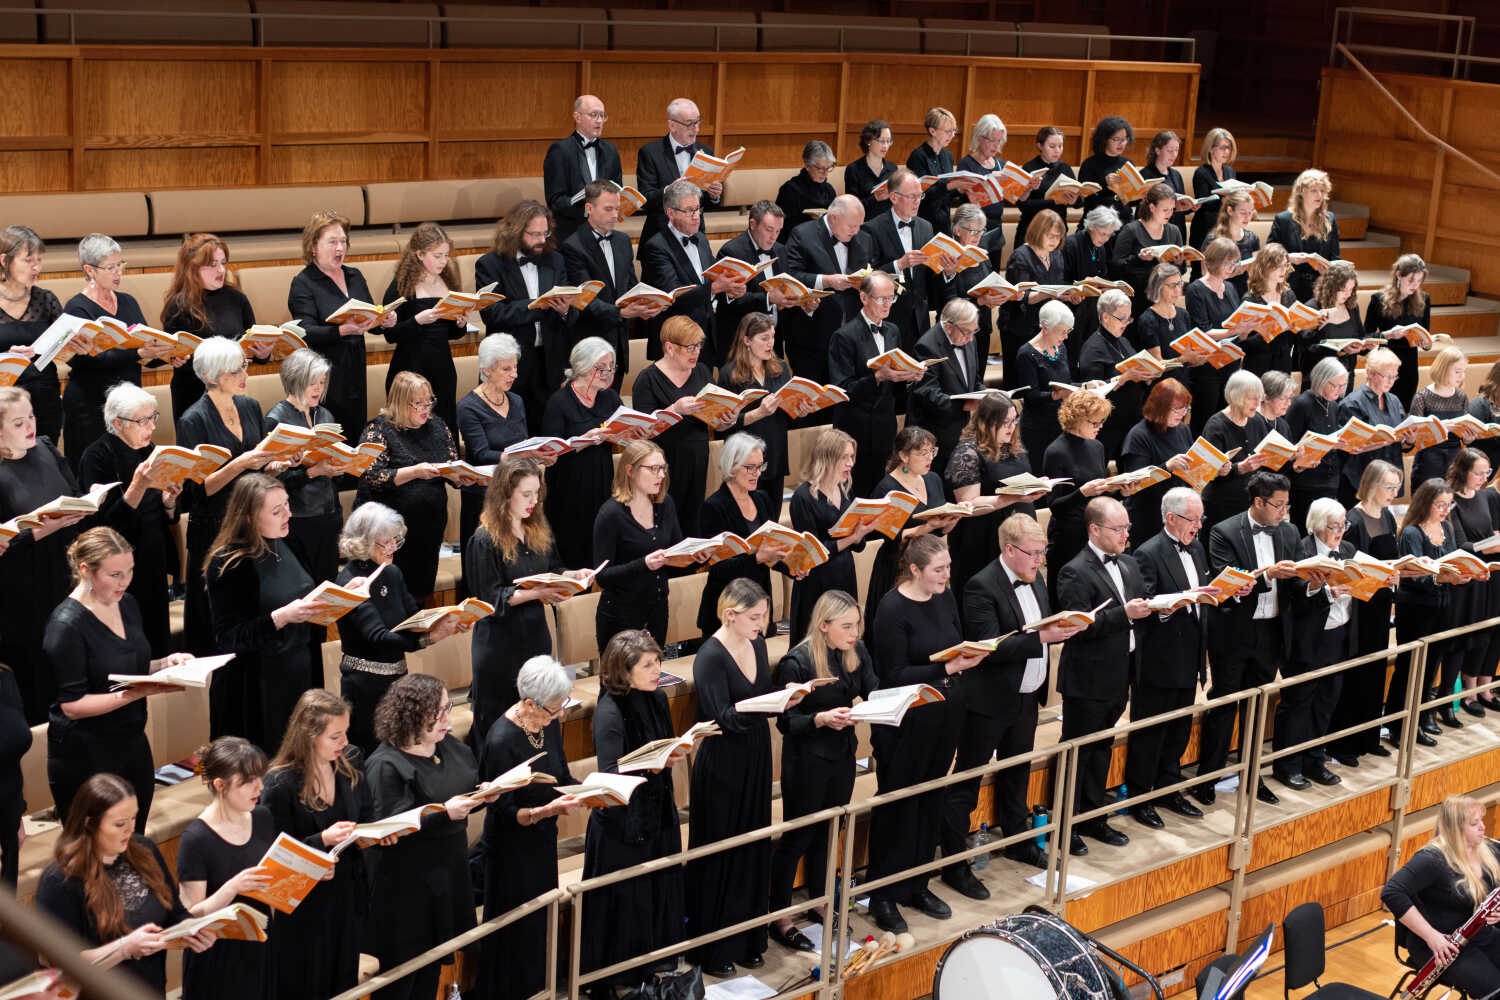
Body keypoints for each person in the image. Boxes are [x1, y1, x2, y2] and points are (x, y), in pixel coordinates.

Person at [946, 514, 1084, 878]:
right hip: (989, 701)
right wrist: (1043, 638)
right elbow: (990, 646)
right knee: (968, 779)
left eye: (1042, 552)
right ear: (1009, 550)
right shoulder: (980, 586)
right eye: (1033, 553)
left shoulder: (1035, 577)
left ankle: (1018, 842)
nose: (1040, 560)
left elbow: (1038, 623)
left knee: (1017, 773)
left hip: (1026, 697)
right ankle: (953, 861)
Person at [866, 534, 981, 934]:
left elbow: (954, 642)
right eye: (938, 569)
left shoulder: (944, 598)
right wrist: (947, 669)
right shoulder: (891, 608)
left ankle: (916, 884)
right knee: (898, 805)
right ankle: (882, 894)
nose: (946, 575)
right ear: (914, 569)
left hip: (943, 715)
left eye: (948, 567)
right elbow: (893, 674)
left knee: (930, 799)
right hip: (906, 723)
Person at [45, 526, 192, 830]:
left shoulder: (127, 603)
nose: (125, 581)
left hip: (132, 742)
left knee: (133, 840)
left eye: (130, 571)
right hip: (86, 755)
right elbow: (72, 706)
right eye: (115, 575)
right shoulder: (65, 626)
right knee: (96, 848)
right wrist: (136, 692)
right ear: (85, 570)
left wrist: (166, 664)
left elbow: (126, 666)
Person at [687, 578, 786, 976]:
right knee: (722, 849)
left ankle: (748, 939)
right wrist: (766, 706)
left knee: (752, 844)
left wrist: (783, 698)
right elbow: (722, 718)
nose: (763, 624)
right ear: (730, 615)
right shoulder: (709, 656)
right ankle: (714, 948)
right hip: (723, 761)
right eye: (755, 617)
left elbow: (760, 695)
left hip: (756, 754)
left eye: (764, 616)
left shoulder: (757, 644)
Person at [581, 630, 687, 994]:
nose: (658, 670)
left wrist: (671, 754)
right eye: (648, 665)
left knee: (651, 898)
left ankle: (642, 970)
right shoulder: (609, 711)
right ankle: (606, 981)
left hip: (656, 811)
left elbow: (664, 745)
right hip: (622, 824)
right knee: (622, 903)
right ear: (624, 672)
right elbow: (609, 773)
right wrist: (652, 766)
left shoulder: (657, 698)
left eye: (658, 661)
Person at [364, 675, 482, 1000]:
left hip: (445, 879)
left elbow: (463, 783)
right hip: (406, 892)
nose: (446, 717)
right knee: (402, 982)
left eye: (447, 707)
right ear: (413, 715)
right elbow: (391, 828)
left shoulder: (447, 746)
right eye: (438, 711)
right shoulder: (386, 766)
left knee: (430, 973)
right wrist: (445, 813)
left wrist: (484, 794)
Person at [35, 774, 210, 994]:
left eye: (133, 818)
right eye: (119, 824)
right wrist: (125, 948)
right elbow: (64, 964)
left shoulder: (144, 850)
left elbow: (174, 912)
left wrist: (192, 929)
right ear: (89, 824)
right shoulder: (59, 880)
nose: (130, 829)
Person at [770, 590, 876, 948]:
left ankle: (820, 900)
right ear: (823, 625)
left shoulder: (855, 651)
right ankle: (780, 915)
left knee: (831, 831)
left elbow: (873, 689)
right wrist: (820, 718)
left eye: (857, 625)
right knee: (798, 836)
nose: (854, 633)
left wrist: (879, 706)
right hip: (806, 761)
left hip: (842, 755)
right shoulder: (797, 662)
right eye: (847, 626)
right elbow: (786, 722)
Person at [478, 658, 582, 1000]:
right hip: (511, 849)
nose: (559, 715)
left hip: (542, 840)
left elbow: (561, 776)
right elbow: (505, 812)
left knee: (540, 921)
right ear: (529, 704)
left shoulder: (546, 723)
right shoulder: (500, 740)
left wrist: (589, 790)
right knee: (515, 929)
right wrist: (546, 811)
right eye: (553, 709)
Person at [261, 690, 375, 1000]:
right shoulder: (279, 784)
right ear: (308, 735)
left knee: (343, 985)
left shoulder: (350, 763)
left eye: (345, 732)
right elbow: (275, 853)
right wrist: (322, 840)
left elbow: (366, 816)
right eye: (335, 736)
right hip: (305, 908)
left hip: (347, 897)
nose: (344, 742)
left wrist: (376, 834)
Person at [1197, 471, 1300, 807]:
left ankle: (1252, 776)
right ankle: (1208, 778)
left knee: (1256, 706)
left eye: (1286, 505)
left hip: (1271, 631)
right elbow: (1226, 581)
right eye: (1278, 505)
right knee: (1225, 704)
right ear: (1258, 502)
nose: (1284, 512)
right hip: (1234, 631)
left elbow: (1297, 580)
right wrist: (1267, 574)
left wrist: (1315, 581)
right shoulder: (1224, 531)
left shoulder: (1289, 531)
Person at [177, 337, 281, 659]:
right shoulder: (193, 420)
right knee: (216, 620)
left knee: (250, 612)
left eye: (244, 366)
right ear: (211, 376)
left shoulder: (249, 406)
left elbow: (259, 464)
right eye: (235, 371)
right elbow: (197, 491)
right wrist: (240, 463)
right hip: (213, 527)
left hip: (249, 521)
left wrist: (276, 464)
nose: (244, 375)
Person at [205, 474, 326, 750]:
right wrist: (280, 618)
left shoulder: (290, 541)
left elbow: (307, 592)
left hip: (300, 674)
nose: (288, 514)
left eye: (287, 504)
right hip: (257, 688)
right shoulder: (229, 562)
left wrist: (342, 592)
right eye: (276, 511)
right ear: (249, 518)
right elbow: (228, 638)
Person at [1057, 497, 1149, 851]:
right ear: (1094, 529)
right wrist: (1124, 614)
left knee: (1102, 749)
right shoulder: (1074, 571)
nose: (1126, 534)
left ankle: (1093, 817)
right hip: (1087, 679)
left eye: (1127, 527)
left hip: (1120, 673)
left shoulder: (1129, 563)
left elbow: (1140, 605)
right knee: (1077, 753)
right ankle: (1065, 826)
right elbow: (1078, 627)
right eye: (1118, 528)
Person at [336, 503, 464, 754]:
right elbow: (378, 637)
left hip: (398, 681)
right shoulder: (351, 581)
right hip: (364, 687)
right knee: (374, 754)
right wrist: (428, 639)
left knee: (401, 749)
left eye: (395, 540)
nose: (393, 547)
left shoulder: (392, 573)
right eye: (385, 542)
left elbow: (413, 620)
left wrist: (447, 622)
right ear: (364, 542)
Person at [468, 457, 579, 747]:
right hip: (499, 646)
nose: (534, 501)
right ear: (506, 494)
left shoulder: (537, 528)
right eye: (526, 494)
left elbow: (553, 567)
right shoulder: (484, 539)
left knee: (539, 721)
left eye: (537, 493)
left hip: (534, 636)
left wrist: (571, 576)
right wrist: (537, 593)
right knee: (500, 728)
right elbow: (489, 599)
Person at [0, 387, 92, 721]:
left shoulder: (47, 448)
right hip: (23, 585)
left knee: (72, 656)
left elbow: (74, 493)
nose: (30, 426)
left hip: (65, 567)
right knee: (38, 668)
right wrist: (42, 530)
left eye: (32, 417)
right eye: (18, 422)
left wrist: (89, 499)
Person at [1126, 488, 1210, 827]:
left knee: (1179, 729)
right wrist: (1176, 601)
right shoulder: (1148, 553)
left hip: (1190, 654)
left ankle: (1168, 788)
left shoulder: (1197, 548)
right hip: (1159, 659)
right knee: (1150, 732)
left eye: (1201, 519)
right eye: (1193, 519)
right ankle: (1140, 797)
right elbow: (1144, 604)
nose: (1199, 526)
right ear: (1171, 518)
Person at [79, 383, 178, 657]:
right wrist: (138, 486)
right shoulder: (96, 457)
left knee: (158, 642)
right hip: (118, 569)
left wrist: (169, 502)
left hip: (153, 558)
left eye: (152, 418)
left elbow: (163, 515)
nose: (151, 427)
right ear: (118, 423)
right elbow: (106, 529)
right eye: (142, 421)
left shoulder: (150, 450)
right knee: (130, 648)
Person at [175, 737, 276, 1000]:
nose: (260, 786)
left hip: (259, 947)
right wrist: (232, 888)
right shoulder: (196, 839)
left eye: (260, 777)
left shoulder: (262, 817)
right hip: (215, 957)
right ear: (220, 785)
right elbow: (190, 915)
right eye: (248, 781)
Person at [61, 233, 168, 470]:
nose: (118, 272)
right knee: (93, 474)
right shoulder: (77, 308)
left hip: (129, 410)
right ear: (89, 270)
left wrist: (167, 355)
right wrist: (138, 353)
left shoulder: (128, 301)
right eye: (110, 267)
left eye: (120, 265)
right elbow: (88, 360)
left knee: (130, 473)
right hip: (91, 407)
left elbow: (144, 350)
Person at [354, 371, 462, 600]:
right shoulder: (379, 429)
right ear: (400, 402)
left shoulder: (437, 426)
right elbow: (372, 475)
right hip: (390, 533)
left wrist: (459, 477)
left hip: (429, 527)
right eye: (418, 403)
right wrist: (414, 472)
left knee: (420, 592)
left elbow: (452, 463)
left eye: (428, 402)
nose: (425, 408)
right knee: (391, 594)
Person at [287, 209, 395, 438]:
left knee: (356, 432)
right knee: (332, 436)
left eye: (343, 241)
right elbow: (305, 332)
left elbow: (369, 318)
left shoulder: (354, 275)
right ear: (313, 247)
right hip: (325, 374)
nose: (340, 248)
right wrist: (341, 330)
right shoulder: (303, 283)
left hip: (355, 366)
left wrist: (384, 320)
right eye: (332, 242)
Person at [1275, 498, 1356, 790]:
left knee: (1326, 702)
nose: (1340, 532)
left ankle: (1314, 760)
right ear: (1318, 526)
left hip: (1338, 636)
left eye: (1343, 525)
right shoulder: (1302, 550)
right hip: (1308, 640)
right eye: (1334, 527)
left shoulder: (1348, 550)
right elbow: (1295, 599)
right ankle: (1287, 765)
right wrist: (1326, 592)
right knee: (1298, 703)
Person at [1383, 795, 1500, 994]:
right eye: (1474, 824)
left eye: (1481, 820)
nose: (1483, 827)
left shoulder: (1489, 851)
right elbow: (1392, 892)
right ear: (1455, 829)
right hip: (1441, 946)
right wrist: (1432, 937)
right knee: (1494, 990)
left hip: (1480, 935)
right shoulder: (1433, 859)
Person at [1329, 460, 1402, 765]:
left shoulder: (1388, 516)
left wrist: (1395, 574)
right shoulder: (1354, 520)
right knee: (1356, 674)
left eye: (1397, 487)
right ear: (1372, 484)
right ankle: (1344, 743)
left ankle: (1369, 737)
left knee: (1375, 671)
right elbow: (1348, 569)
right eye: (1390, 487)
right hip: (1358, 607)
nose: (1395, 493)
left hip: (1380, 605)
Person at [475, 201, 576, 419]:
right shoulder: (489, 264)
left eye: (545, 233)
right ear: (516, 231)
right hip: (509, 365)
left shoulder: (556, 260)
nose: (542, 240)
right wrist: (538, 305)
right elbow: (493, 314)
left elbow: (570, 311)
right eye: (535, 234)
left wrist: (565, 310)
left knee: (548, 431)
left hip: (549, 364)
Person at [1388, 479, 1467, 749]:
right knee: (1409, 668)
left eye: (1448, 505)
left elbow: (1453, 562)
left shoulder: (1446, 527)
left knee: (1431, 666)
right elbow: (1414, 577)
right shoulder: (1412, 533)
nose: (1445, 511)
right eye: (1440, 505)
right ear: (1426, 503)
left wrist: (1462, 574)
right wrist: (1443, 578)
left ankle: (1422, 717)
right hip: (1415, 610)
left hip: (1442, 607)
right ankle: (1398, 726)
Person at [561, 181, 661, 391]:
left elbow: (630, 284)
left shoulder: (623, 241)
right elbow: (584, 299)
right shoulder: (573, 246)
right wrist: (621, 312)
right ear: (589, 208)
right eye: (608, 209)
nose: (615, 215)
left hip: (619, 344)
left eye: (617, 209)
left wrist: (645, 303)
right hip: (591, 343)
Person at [860, 426, 962, 630]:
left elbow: (940, 531)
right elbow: (890, 538)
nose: (929, 458)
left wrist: (954, 517)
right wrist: (927, 526)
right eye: (923, 453)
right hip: (898, 566)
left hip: (928, 564)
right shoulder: (887, 489)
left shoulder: (932, 479)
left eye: (932, 451)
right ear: (903, 456)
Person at [829, 271, 919, 497]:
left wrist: (908, 377)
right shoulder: (844, 336)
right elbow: (842, 390)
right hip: (855, 429)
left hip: (884, 426)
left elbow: (894, 386)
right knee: (856, 494)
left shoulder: (893, 331)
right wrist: (877, 377)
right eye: (881, 299)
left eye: (891, 298)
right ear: (864, 298)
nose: (888, 304)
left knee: (883, 493)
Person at [945, 392, 1045, 592]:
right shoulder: (967, 452)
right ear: (986, 423)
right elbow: (968, 505)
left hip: (1019, 535)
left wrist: (1036, 485)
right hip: (983, 539)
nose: (1011, 427)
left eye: (1014, 420)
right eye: (1005, 422)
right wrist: (1012, 497)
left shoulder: (1014, 446)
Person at [632, 315, 723, 533]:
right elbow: (643, 433)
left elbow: (715, 419)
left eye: (699, 346)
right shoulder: (647, 379)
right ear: (669, 348)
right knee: (665, 523)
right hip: (663, 464)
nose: (696, 352)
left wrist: (723, 419)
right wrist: (674, 409)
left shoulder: (702, 371)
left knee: (694, 520)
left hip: (697, 459)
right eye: (690, 347)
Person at [592, 439, 687, 648]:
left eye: (663, 468)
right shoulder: (611, 514)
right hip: (621, 616)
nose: (661, 475)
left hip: (657, 610)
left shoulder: (665, 504)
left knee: (653, 668)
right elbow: (602, 576)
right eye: (653, 469)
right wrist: (643, 564)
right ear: (630, 471)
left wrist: (696, 557)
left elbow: (677, 554)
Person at [264, 348, 342, 597]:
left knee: (328, 589)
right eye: (312, 383)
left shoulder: (324, 415)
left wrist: (340, 466)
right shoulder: (276, 420)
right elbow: (269, 480)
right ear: (295, 381)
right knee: (303, 593)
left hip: (328, 514)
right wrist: (311, 472)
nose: (318, 389)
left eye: (322, 382)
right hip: (297, 518)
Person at [381, 222, 470, 439]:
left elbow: (451, 333)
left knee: (443, 425)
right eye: (437, 256)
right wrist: (417, 321)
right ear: (420, 255)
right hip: (411, 367)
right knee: (411, 430)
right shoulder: (402, 285)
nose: (443, 261)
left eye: (446, 255)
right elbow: (390, 334)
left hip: (442, 367)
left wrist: (460, 324)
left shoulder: (448, 282)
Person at [640, 181, 744, 365]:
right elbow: (673, 294)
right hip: (675, 342)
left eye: (697, 209)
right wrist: (715, 288)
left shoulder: (701, 239)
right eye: (688, 211)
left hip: (705, 338)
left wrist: (730, 290)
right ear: (670, 213)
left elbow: (711, 278)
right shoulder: (656, 246)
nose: (696, 216)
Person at [697, 433, 790, 635]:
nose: (757, 473)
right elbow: (719, 567)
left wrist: (794, 568)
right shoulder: (713, 507)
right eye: (750, 467)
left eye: (760, 467)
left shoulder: (762, 499)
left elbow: (770, 550)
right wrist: (757, 558)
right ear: (731, 467)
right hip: (727, 609)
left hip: (759, 604)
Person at [160, 233, 260, 422]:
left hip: (232, 392)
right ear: (192, 268)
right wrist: (175, 358)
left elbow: (253, 344)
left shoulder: (237, 298)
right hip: (193, 394)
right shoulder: (179, 305)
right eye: (213, 265)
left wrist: (263, 353)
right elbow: (175, 355)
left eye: (223, 263)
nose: (221, 270)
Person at [787, 429, 875, 643]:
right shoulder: (803, 497)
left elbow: (858, 546)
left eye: (852, 457)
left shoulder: (845, 490)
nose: (850, 463)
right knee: (817, 644)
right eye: (844, 457)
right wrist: (850, 539)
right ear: (826, 458)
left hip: (844, 575)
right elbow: (812, 553)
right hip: (817, 583)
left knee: (845, 641)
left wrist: (861, 533)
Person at [541, 337, 622, 569]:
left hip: (602, 482)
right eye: (601, 368)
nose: (607, 373)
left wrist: (629, 433)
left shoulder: (610, 398)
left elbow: (622, 429)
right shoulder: (559, 402)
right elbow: (550, 452)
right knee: (573, 553)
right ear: (582, 366)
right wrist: (584, 440)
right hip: (569, 489)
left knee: (600, 551)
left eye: (611, 367)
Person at [780, 194, 872, 384]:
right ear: (833, 217)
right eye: (851, 226)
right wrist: (826, 281)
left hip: (851, 337)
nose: (856, 231)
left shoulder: (864, 239)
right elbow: (790, 276)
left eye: (859, 226)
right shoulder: (802, 234)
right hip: (812, 337)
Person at [456, 333, 530, 567]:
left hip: (516, 492)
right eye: (506, 369)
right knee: (486, 567)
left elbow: (524, 443)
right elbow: (481, 453)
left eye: (515, 367)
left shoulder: (517, 401)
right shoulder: (468, 407)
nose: (514, 375)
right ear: (486, 370)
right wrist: (517, 457)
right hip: (485, 497)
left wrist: (539, 455)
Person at [1042, 390, 1117, 603]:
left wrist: (1120, 490)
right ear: (1077, 419)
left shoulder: (1097, 447)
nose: (1099, 427)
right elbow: (1055, 505)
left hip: (1095, 531)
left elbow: (1100, 490)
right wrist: (1082, 492)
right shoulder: (1056, 451)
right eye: (1095, 422)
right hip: (1068, 537)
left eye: (1101, 421)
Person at [1446, 448, 1500, 718]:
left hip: (1487, 574)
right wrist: (1487, 547)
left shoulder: (1482, 497)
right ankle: (1461, 696)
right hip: (1465, 577)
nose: (1484, 478)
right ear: (1463, 471)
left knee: (1487, 632)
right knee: (1466, 637)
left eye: (1486, 472)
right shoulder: (1450, 500)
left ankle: (1480, 690)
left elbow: (1488, 531)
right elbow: (1459, 544)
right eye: (1479, 473)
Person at [859, 167, 935, 355]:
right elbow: (866, 275)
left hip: (920, 319)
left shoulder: (926, 227)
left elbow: (928, 277)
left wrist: (948, 271)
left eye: (920, 195)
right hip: (889, 317)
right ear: (894, 197)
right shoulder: (873, 228)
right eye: (912, 196)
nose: (917, 201)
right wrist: (898, 265)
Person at [720, 312, 792, 508]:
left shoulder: (780, 369)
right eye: (764, 338)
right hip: (745, 460)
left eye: (773, 337)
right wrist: (759, 413)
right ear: (747, 341)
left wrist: (800, 409)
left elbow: (788, 413)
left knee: (772, 517)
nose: (771, 343)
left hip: (775, 453)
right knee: (747, 517)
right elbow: (723, 425)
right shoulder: (729, 374)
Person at [0, 226, 64, 441]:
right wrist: (5, 357)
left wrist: (78, 345)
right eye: (28, 260)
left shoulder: (46, 299)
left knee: (45, 455)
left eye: (39, 260)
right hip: (3, 404)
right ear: (4, 261)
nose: (36, 267)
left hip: (45, 400)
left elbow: (65, 348)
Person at [635, 97, 723, 250]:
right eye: (689, 123)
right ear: (672, 125)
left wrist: (714, 196)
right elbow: (645, 200)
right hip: (660, 237)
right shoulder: (650, 153)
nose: (696, 129)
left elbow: (706, 204)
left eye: (697, 122)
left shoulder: (706, 152)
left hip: (695, 236)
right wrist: (669, 191)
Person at [714, 202, 795, 362]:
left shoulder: (780, 250)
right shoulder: (731, 251)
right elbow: (730, 301)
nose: (774, 237)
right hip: (741, 344)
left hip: (773, 342)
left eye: (778, 231)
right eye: (769, 230)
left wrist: (801, 300)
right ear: (752, 224)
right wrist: (769, 298)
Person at [1004, 211, 1077, 387]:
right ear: (1038, 232)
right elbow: (1023, 297)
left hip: (1046, 325)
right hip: (1021, 325)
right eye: (1050, 236)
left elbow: (1057, 286)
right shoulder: (1021, 256)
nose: (1055, 241)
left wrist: (1068, 296)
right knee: (1023, 383)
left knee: (1046, 382)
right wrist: (1051, 293)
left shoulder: (1056, 255)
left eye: (1058, 236)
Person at [1080, 286, 1152, 462]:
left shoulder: (1124, 341)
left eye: (1129, 318)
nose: (1126, 323)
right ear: (1105, 317)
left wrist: (1146, 377)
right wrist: (1124, 378)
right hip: (1108, 426)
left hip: (1131, 420)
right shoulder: (1092, 348)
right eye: (1122, 318)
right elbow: (1092, 393)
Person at [1119, 378, 1195, 543]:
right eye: (1176, 410)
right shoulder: (1139, 435)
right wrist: (1167, 467)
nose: (1182, 414)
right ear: (1160, 408)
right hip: (1149, 515)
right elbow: (1136, 484)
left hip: (1177, 510)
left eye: (1185, 409)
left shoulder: (1182, 429)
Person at [910, 298, 984, 466]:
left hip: (961, 429)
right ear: (949, 327)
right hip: (935, 434)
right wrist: (963, 405)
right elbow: (928, 394)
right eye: (967, 332)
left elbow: (974, 379)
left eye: (974, 331)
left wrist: (985, 394)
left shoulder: (968, 338)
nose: (971, 338)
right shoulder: (927, 346)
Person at [1183, 237, 1244, 433]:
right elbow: (1203, 330)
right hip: (1207, 363)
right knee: (1205, 416)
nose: (1231, 268)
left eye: (1234, 263)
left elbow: (1234, 321)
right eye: (1227, 263)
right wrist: (1233, 331)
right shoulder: (1196, 289)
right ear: (1214, 261)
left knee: (1225, 415)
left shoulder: (1230, 288)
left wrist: (1245, 328)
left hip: (1229, 360)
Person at [542, 94, 622, 244]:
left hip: (604, 231)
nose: (599, 120)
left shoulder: (610, 150)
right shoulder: (560, 150)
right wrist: (590, 212)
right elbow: (555, 202)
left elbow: (617, 188)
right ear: (577, 117)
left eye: (602, 115)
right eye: (593, 115)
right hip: (571, 233)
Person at [1199, 370, 1272, 528]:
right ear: (1236, 396)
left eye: (1259, 398)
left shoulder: (1257, 421)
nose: (1257, 404)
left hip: (1250, 503)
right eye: (1252, 398)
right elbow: (1206, 471)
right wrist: (1239, 468)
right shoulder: (1216, 426)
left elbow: (1265, 459)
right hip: (1221, 505)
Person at [933, 203, 1002, 364]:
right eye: (972, 231)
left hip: (981, 329)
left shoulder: (982, 256)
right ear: (958, 230)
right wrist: (980, 301)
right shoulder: (947, 259)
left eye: (981, 230)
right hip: (957, 332)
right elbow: (948, 302)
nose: (978, 236)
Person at [1284, 358, 1349, 528]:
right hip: (1305, 483)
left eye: (1343, 385)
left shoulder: (1333, 405)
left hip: (1329, 481)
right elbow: (1289, 444)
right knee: (1305, 530)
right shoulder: (1301, 404)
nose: (1340, 390)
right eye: (1335, 385)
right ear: (1322, 380)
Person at [953, 115, 1024, 269]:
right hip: (973, 231)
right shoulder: (966, 164)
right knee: (973, 274)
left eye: (999, 141)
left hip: (995, 230)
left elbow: (1016, 198)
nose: (995, 145)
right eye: (992, 140)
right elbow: (971, 199)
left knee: (993, 274)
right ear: (979, 138)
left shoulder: (1001, 165)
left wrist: (1027, 186)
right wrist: (990, 180)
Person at [1014, 299, 1078, 468]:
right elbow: (1031, 396)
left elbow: (1066, 382)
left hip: (1062, 423)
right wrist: (1056, 395)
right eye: (1062, 332)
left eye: (1068, 331)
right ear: (1045, 328)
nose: (1065, 336)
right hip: (1038, 428)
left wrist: (1085, 386)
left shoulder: (1061, 348)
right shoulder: (1026, 354)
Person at [1366, 253, 1431, 407]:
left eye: (1419, 281)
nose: (1415, 285)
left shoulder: (1424, 299)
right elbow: (1365, 337)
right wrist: (1387, 335)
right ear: (1399, 275)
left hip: (1409, 365)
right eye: (1411, 280)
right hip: (1384, 363)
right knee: (1381, 408)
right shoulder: (1378, 299)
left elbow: (1426, 336)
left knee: (1404, 409)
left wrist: (1426, 343)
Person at [1062, 206, 1124, 360]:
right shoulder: (1071, 244)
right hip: (1072, 306)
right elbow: (1062, 279)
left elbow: (1103, 276)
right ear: (1091, 226)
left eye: (1109, 235)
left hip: (1091, 305)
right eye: (1103, 233)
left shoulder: (1101, 247)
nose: (1106, 239)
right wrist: (1074, 291)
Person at [1269, 168, 1340, 303]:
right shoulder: (1283, 220)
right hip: (1289, 286)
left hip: (1320, 288)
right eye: (1314, 190)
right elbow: (1269, 255)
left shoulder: (1330, 219)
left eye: (1322, 191)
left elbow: (1336, 257)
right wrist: (1289, 258)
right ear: (1301, 191)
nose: (1319, 195)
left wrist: (1329, 269)